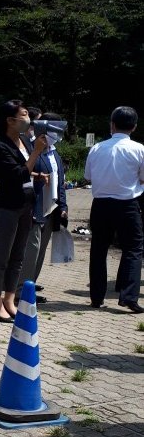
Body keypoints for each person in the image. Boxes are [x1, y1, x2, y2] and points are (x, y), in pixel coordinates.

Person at [0, 100, 48, 322]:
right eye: (23, 115)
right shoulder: (1, 146)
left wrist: (37, 174)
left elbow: (27, 172)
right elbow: (16, 175)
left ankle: (9, 300)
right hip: (7, 207)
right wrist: (36, 153)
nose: (28, 119)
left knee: (18, 256)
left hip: (26, 204)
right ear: (10, 120)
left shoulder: (24, 141)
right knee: (1, 257)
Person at [85, 106, 144, 313]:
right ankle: (128, 296)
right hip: (127, 204)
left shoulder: (97, 148)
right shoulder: (139, 149)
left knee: (99, 249)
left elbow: (88, 177)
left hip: (100, 204)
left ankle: (96, 297)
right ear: (134, 127)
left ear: (112, 124)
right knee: (133, 249)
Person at [17, 112, 69, 302]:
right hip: (34, 207)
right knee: (31, 250)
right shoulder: (30, 150)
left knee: (40, 251)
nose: (56, 136)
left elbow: (60, 182)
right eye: (53, 131)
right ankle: (20, 290)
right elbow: (23, 173)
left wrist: (63, 206)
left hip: (51, 210)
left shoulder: (54, 153)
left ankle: (29, 289)